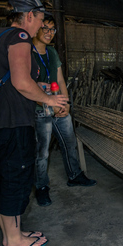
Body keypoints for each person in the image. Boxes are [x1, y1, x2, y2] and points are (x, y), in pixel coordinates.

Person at [0, 0, 68, 246]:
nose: (41, 26)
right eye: (41, 20)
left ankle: (11, 235)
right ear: (29, 16)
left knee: (4, 179)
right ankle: (16, 240)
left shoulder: (1, 36)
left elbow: (12, 82)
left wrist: (39, 88)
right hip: (13, 124)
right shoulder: (19, 37)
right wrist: (49, 100)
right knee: (16, 181)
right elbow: (20, 82)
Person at [32, 16, 96, 207]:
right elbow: (25, 85)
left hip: (59, 106)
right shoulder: (27, 53)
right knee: (42, 153)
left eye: (52, 30)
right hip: (40, 110)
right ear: (35, 29)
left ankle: (74, 175)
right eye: (45, 28)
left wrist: (65, 103)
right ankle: (41, 187)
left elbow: (60, 81)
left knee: (69, 143)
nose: (49, 33)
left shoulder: (52, 52)